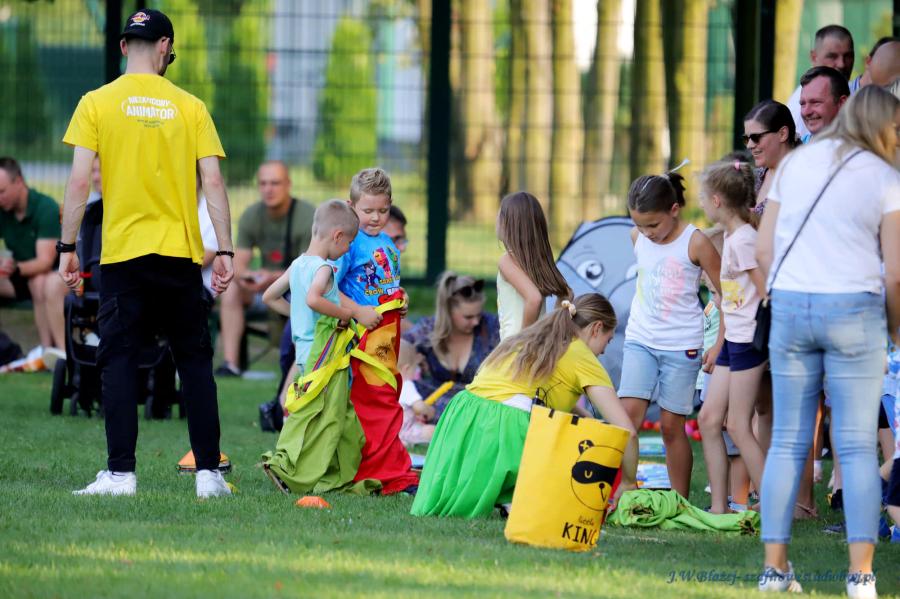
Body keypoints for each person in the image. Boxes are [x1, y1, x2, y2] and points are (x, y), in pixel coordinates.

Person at [59, 8, 236, 498]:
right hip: (179, 255)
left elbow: (79, 181)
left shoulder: (96, 102)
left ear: (123, 47)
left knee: (117, 359)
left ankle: (120, 475)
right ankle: (208, 475)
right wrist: (224, 249)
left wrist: (68, 247)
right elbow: (213, 181)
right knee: (193, 360)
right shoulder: (191, 106)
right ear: (165, 47)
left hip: (122, 254)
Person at [755, 86, 900, 596]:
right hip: (856, 309)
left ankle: (775, 570)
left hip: (792, 307)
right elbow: (895, 272)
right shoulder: (885, 177)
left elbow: (764, 250)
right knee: (857, 447)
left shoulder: (795, 165)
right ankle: (861, 577)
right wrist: (894, 328)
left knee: (787, 441)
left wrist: (778, 299)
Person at [411, 293, 638, 518]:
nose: (603, 351)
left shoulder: (537, 337)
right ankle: (516, 495)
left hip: (461, 418)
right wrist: (628, 482)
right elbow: (628, 432)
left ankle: (510, 495)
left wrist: (584, 414)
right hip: (503, 428)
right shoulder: (582, 356)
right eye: (607, 341)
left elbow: (528, 389)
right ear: (596, 328)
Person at [618, 171, 723, 501]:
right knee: (626, 419)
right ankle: (622, 490)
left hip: (682, 346)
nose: (647, 233)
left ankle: (679, 502)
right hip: (640, 339)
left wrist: (719, 344)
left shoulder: (696, 242)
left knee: (670, 427)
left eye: (653, 225)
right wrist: (644, 231)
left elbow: (727, 294)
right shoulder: (637, 237)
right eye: (640, 226)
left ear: (674, 210)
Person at [260, 200, 372, 494]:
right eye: (348, 243)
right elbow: (313, 299)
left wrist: (297, 314)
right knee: (322, 416)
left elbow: (269, 297)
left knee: (337, 413)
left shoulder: (298, 264)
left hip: (304, 354)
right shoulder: (325, 268)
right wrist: (346, 314)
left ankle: (339, 472)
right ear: (337, 236)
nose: (347, 249)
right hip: (323, 354)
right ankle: (286, 467)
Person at [334, 167, 418, 494]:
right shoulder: (349, 244)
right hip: (360, 340)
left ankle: (384, 468)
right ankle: (388, 472)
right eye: (367, 210)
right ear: (351, 206)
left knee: (387, 398)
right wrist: (358, 311)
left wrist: (400, 299)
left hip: (387, 336)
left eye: (382, 211)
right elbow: (328, 289)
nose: (375, 218)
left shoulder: (386, 243)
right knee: (376, 404)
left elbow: (386, 284)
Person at [696, 160, 767, 515]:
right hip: (733, 341)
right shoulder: (730, 237)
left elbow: (765, 291)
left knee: (738, 426)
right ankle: (718, 508)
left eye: (703, 199)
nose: (702, 205)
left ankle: (772, 505)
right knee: (709, 419)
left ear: (717, 200)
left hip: (748, 343)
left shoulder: (744, 240)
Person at [216, 160, 316, 376]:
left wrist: (272, 278)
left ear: (288, 184)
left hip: (296, 289)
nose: (268, 189)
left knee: (308, 291)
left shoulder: (307, 216)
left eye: (275, 183)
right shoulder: (251, 215)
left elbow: (309, 268)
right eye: (263, 183)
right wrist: (248, 277)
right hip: (263, 289)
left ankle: (302, 364)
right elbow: (238, 264)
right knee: (231, 289)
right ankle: (230, 364)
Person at [402, 271, 500, 422]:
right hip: (434, 406)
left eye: (479, 315)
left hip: (478, 408)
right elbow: (398, 347)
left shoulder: (491, 328)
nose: (476, 322)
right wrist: (413, 358)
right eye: (468, 317)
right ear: (448, 311)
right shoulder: (429, 329)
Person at [0, 157, 68, 352]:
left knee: (38, 281)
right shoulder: (3, 210)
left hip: (50, 276)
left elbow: (45, 262)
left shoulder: (45, 207)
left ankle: (50, 351)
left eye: (2, 191)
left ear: (19, 182)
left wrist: (13, 267)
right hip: (20, 276)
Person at [496, 191, 571, 340]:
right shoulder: (537, 261)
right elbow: (567, 294)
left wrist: (522, 341)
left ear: (506, 223)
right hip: (539, 343)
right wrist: (551, 329)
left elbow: (534, 298)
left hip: (516, 345)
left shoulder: (507, 261)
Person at [787, 25, 854, 140]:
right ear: (814, 57)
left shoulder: (853, 90)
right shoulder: (799, 106)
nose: (841, 64)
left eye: (848, 56)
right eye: (832, 56)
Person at [743, 100, 799, 216]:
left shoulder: (803, 178)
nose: (749, 145)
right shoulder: (754, 176)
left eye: (756, 137)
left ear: (782, 134)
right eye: (746, 139)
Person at [799, 66, 850, 143]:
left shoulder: (860, 147)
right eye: (802, 104)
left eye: (815, 102)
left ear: (842, 103)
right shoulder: (797, 147)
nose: (806, 112)